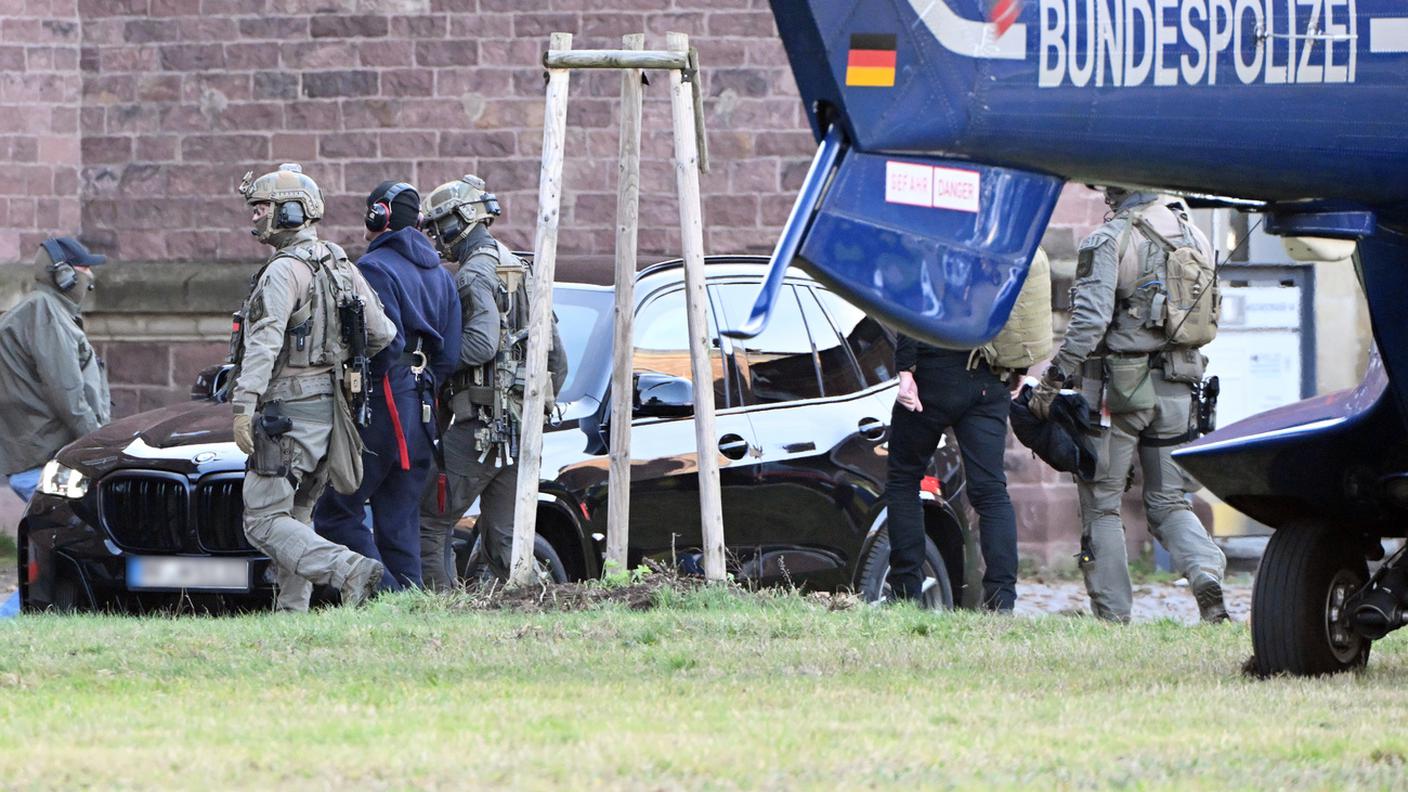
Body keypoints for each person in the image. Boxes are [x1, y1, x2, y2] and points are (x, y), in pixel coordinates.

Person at [1030, 186, 1229, 623]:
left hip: (1117, 392)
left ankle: (1112, 614)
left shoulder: (1109, 239)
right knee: (1168, 501)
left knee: (1102, 502)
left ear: (1116, 192)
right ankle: (1205, 574)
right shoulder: (1194, 235)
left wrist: (1052, 382)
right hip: (1180, 386)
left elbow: (1089, 322)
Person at [230, 163, 396, 611]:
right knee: (297, 515)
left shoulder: (283, 271)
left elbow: (263, 343)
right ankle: (292, 615)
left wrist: (244, 405)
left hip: (285, 411)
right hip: (330, 411)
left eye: (261, 207)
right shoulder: (339, 263)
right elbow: (383, 333)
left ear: (289, 212)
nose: (254, 217)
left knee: (263, 521)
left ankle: (349, 570)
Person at [416, 175, 567, 590]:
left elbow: (480, 344)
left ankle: (438, 617)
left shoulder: (471, 276)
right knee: (505, 538)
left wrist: (432, 361)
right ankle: (538, 613)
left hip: (479, 429)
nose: (435, 237)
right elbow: (557, 357)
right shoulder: (521, 268)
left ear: (460, 220)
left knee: (429, 520)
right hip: (519, 429)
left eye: (438, 226)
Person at [312, 181, 461, 591]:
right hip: (422, 405)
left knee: (336, 512)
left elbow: (384, 342)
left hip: (384, 402)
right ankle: (409, 600)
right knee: (399, 519)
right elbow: (449, 355)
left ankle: (386, 594)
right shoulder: (443, 276)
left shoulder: (375, 269)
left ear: (377, 216)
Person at [886, 334, 1019, 611]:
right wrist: (1019, 366)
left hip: (933, 372)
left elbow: (916, 301)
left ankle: (905, 596)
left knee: (904, 481)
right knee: (992, 491)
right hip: (989, 372)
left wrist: (905, 371)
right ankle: (1002, 602)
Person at [0, 237, 111, 502]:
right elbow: (67, 392)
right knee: (82, 537)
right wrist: (101, 446)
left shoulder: (45, 311)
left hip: (46, 458)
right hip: (48, 462)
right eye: (84, 269)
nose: (91, 276)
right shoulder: (44, 313)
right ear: (64, 275)